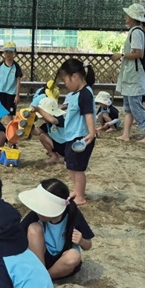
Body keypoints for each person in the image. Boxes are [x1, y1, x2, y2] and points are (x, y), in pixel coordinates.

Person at [18, 179, 95, 280]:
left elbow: (88, 245)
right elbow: (18, 234)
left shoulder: (72, 214)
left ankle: (44, 278)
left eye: (43, 209)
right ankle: (41, 274)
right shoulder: (36, 214)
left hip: (62, 264)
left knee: (74, 256)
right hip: (41, 258)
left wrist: (81, 241)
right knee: (34, 228)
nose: (39, 212)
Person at [48, 57, 97, 205]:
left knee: (78, 168)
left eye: (65, 80)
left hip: (81, 137)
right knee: (70, 165)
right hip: (72, 136)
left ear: (74, 76)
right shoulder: (76, 94)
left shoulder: (85, 93)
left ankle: (80, 196)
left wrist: (91, 133)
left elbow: (88, 114)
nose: (65, 84)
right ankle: (76, 190)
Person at [112, 3, 145, 143]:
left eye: (128, 15)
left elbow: (138, 53)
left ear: (132, 17)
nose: (126, 16)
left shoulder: (136, 32)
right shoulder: (135, 31)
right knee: (129, 107)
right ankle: (126, 134)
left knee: (136, 106)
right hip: (130, 75)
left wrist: (122, 55)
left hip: (134, 75)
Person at [32, 95, 66, 164]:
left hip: (67, 147)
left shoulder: (60, 118)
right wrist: (28, 126)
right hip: (58, 146)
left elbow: (53, 120)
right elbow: (36, 132)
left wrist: (39, 110)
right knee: (42, 136)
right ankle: (54, 156)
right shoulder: (47, 124)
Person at [0, 41, 23, 116]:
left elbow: (18, 81)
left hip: (11, 93)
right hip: (0, 92)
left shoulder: (16, 67)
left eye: (11, 52)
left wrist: (17, 95)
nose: (8, 54)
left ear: (14, 53)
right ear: (4, 53)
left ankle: (9, 124)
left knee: (10, 114)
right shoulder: (0, 66)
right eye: (6, 52)